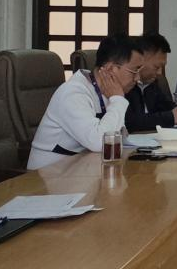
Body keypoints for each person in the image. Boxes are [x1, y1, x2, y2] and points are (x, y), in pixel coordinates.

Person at [27, 35, 141, 170]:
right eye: (134, 71)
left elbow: (119, 137)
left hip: (80, 169)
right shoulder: (73, 93)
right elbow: (100, 143)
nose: (138, 78)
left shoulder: (105, 91)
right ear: (110, 69)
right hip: (48, 175)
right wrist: (118, 100)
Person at [124, 34, 177, 133]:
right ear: (140, 59)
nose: (159, 73)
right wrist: (171, 117)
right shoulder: (126, 84)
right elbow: (130, 122)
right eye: (157, 67)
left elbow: (166, 106)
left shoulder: (151, 83)